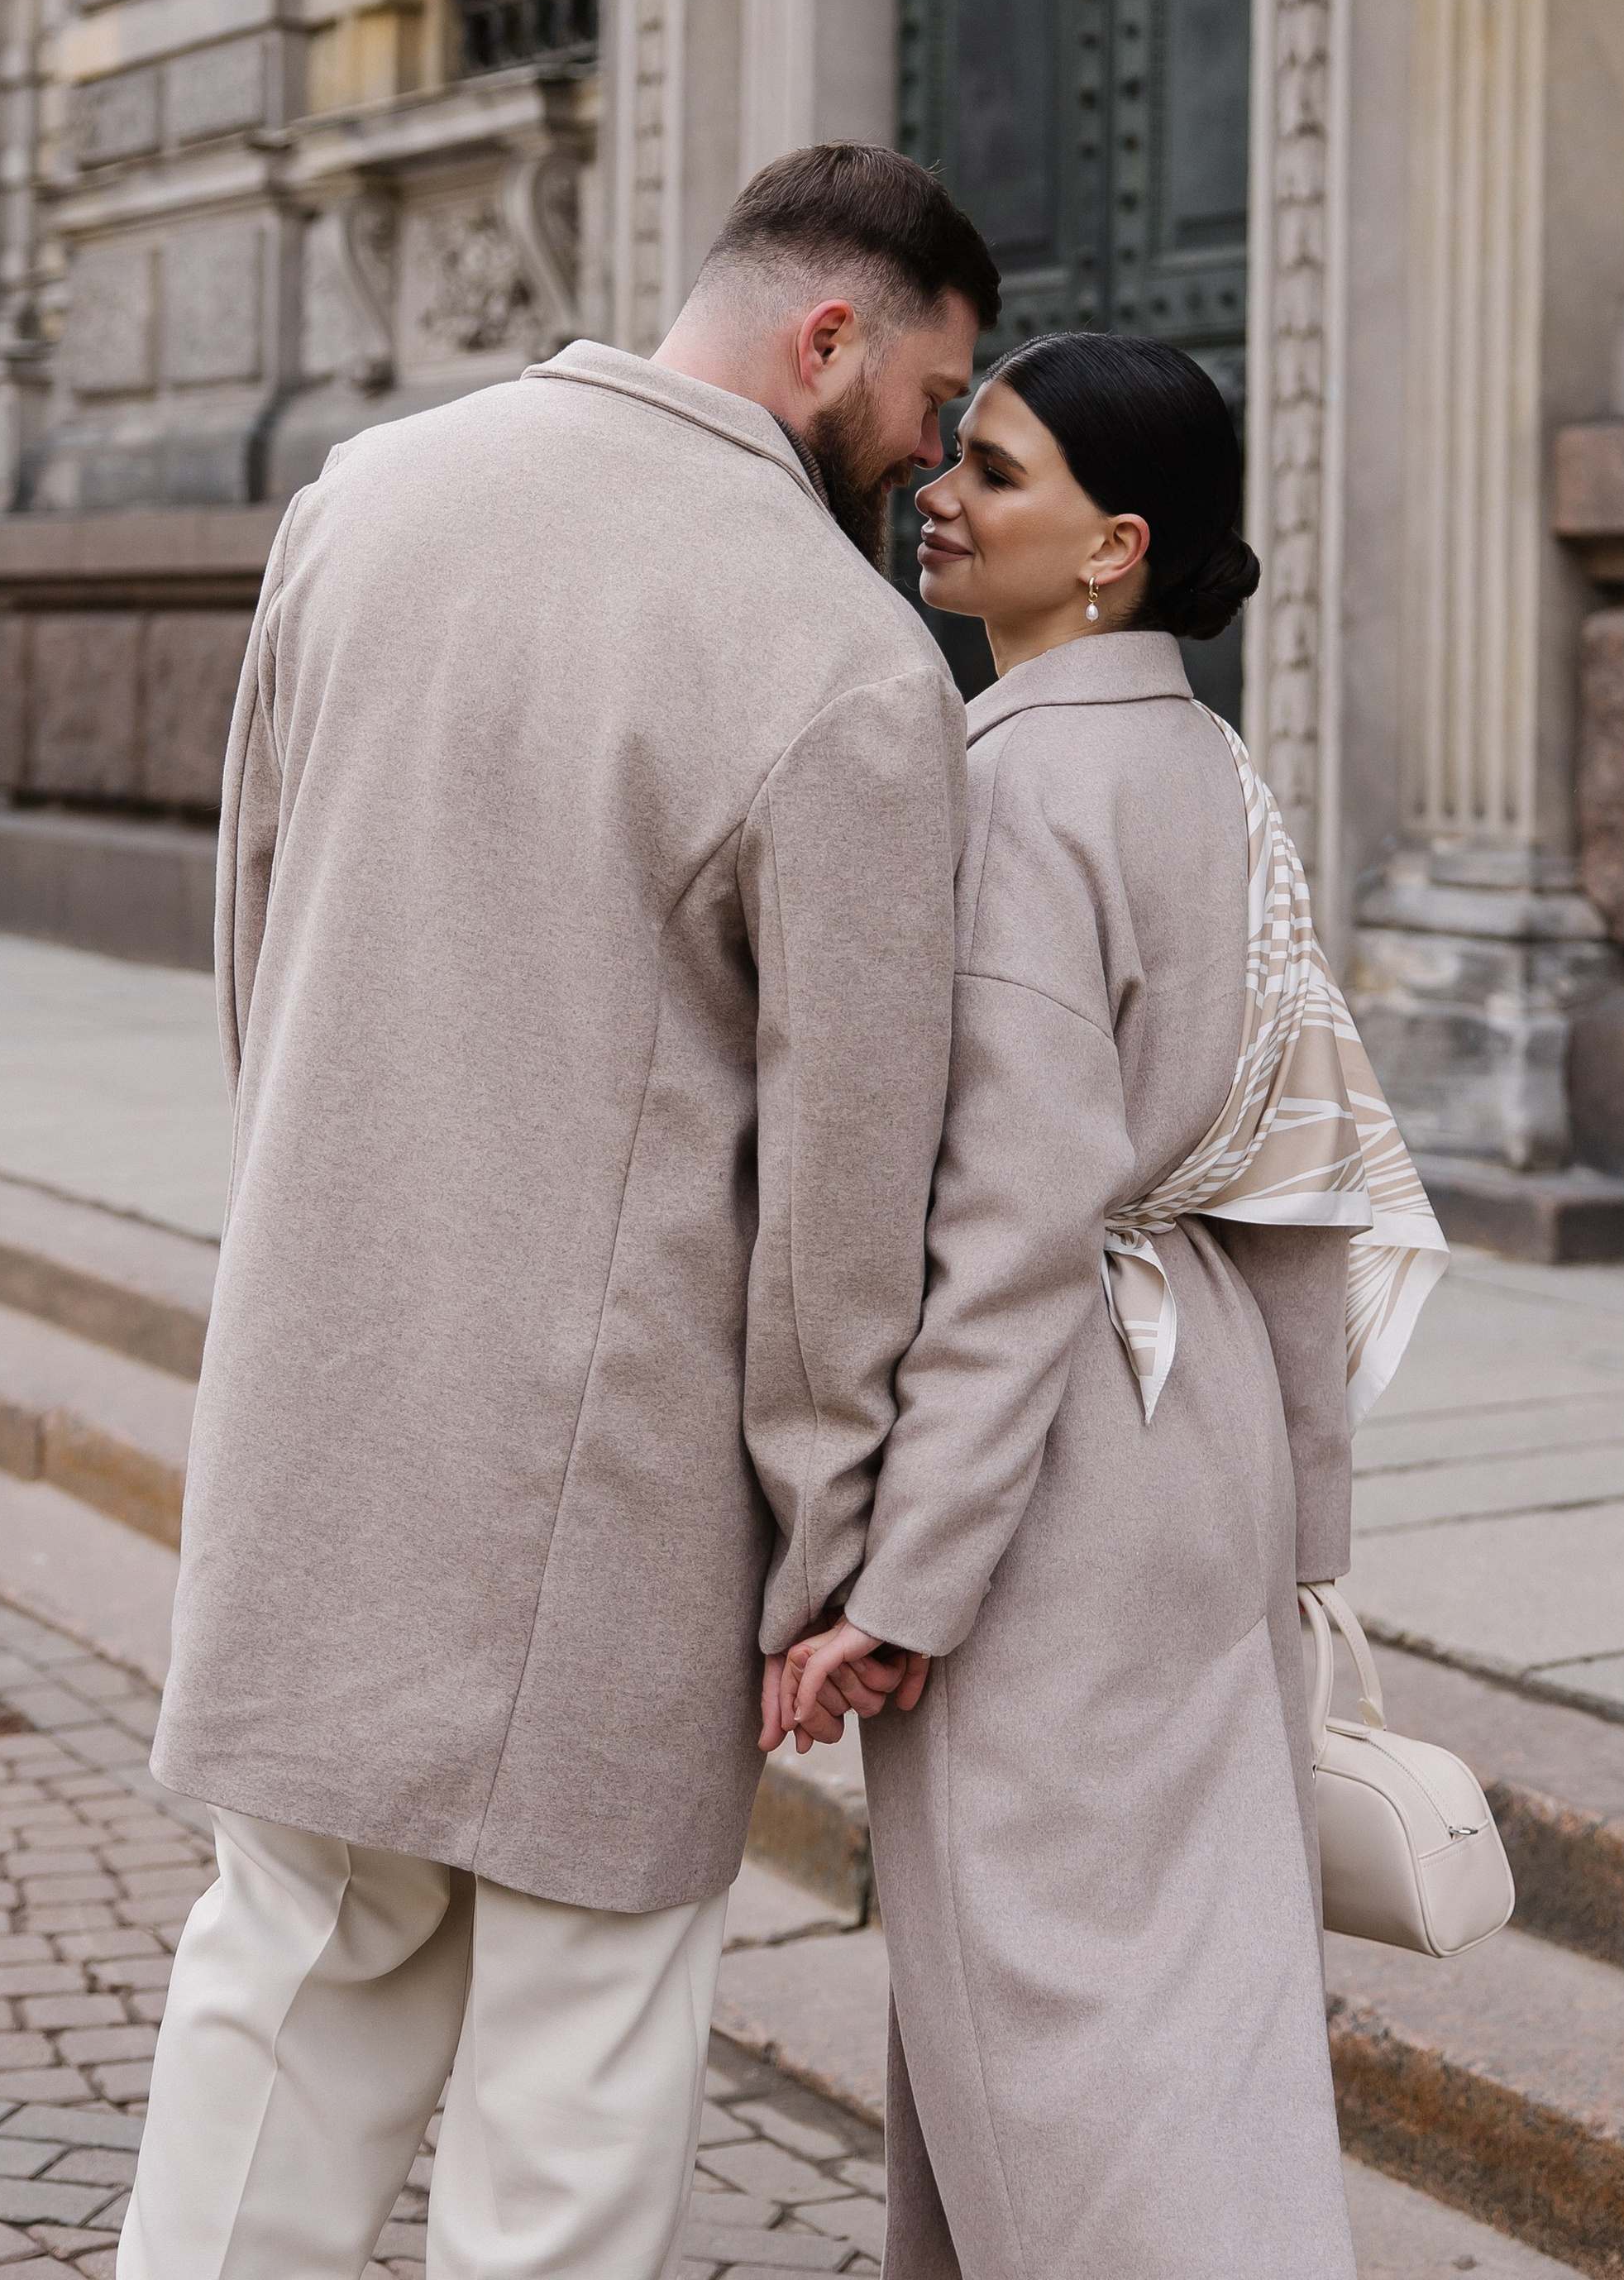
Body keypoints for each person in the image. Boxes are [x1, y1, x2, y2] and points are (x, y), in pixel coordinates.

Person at [119, 144, 1000, 2280]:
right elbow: (843, 1188)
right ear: (828, 338)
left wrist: (333, 1230)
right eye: (933, 398)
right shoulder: (850, 661)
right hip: (606, 1489)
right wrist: (831, 1533)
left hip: (325, 1387)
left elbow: (260, 938)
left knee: (284, 2003)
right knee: (575, 2096)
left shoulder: (363, 501)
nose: (933, 457)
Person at [777, 331, 1446, 2280]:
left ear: (1110, 547)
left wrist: (906, 1581)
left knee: (1045, 2028)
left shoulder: (1002, 789)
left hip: (1056, 1474)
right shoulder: (1218, 778)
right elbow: (1308, 1181)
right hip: (1208, 1444)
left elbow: (1008, 1232)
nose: (939, 493)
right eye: (954, 457)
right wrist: (1304, 1530)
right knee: (1185, 2012)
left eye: (992, 472)